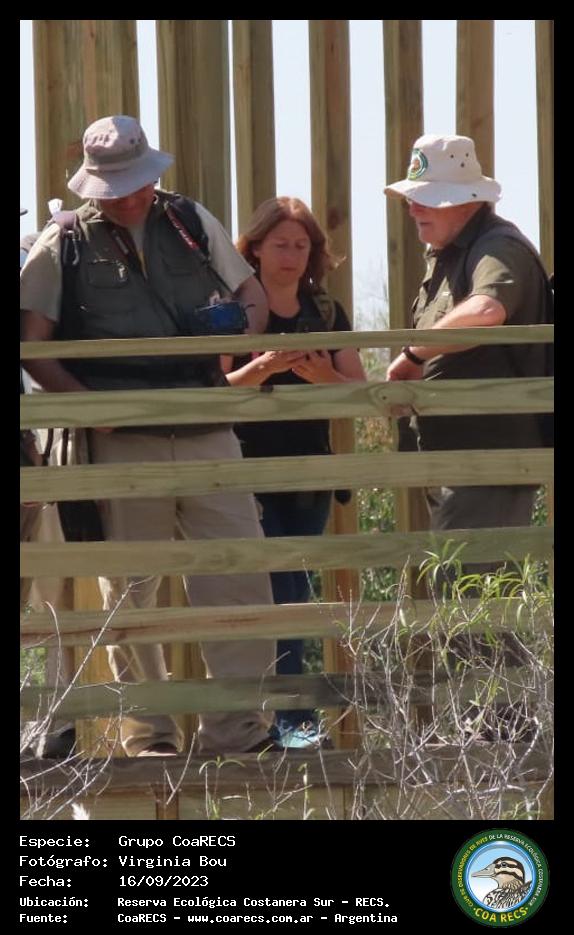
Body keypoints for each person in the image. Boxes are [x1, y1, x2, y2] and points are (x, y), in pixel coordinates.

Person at [20, 114, 280, 758]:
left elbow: (252, 295)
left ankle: (238, 732)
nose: (129, 196)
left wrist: (236, 338)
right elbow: (32, 343)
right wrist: (85, 407)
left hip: (207, 424)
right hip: (119, 439)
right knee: (130, 594)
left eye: (136, 182)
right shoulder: (63, 240)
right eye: (115, 186)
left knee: (239, 573)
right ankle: (150, 737)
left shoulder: (190, 220)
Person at [223, 196, 365, 748]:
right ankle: (287, 723)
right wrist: (261, 368)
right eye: (280, 243)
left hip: (308, 477)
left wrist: (323, 377)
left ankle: (289, 723)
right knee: (270, 594)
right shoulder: (234, 310)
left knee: (294, 594)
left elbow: (361, 394)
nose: (291, 255)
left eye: (301, 245)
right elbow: (214, 391)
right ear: (255, 248)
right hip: (247, 475)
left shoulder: (325, 312)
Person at [384, 133, 551, 583]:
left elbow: (486, 310)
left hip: (486, 462)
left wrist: (413, 354)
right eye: (413, 198)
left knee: (467, 601)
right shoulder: (451, 253)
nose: (413, 209)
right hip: (459, 461)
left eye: (427, 199)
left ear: (466, 202)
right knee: (468, 599)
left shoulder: (499, 247)